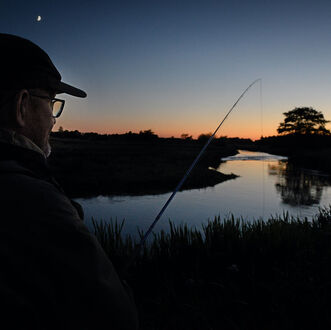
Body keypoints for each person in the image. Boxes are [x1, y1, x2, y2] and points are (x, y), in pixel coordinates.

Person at [0, 33, 138, 330]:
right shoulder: (36, 203)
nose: (53, 119)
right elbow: (118, 320)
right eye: (51, 103)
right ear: (22, 105)